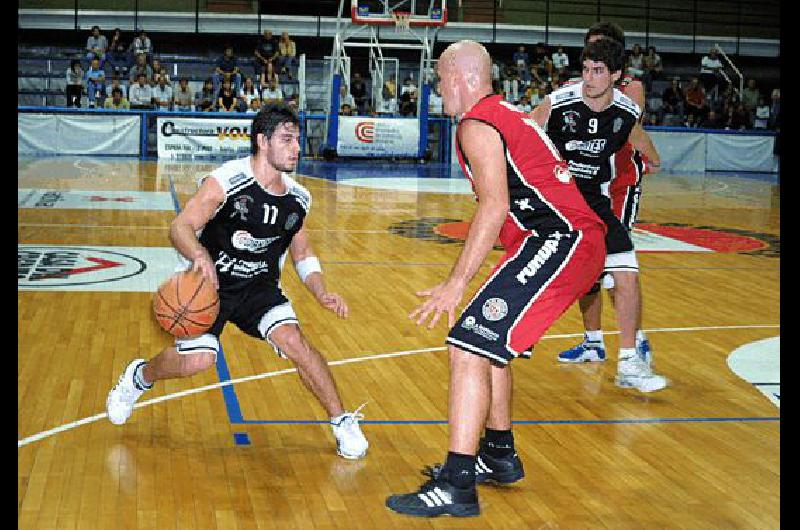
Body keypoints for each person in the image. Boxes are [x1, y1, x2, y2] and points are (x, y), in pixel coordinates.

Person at [385, 40, 606, 518]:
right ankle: (499, 455)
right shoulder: (505, 113)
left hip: (562, 240)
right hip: (559, 240)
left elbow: (495, 204)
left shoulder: (477, 122)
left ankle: (457, 485)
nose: (436, 88)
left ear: (462, 78)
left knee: (466, 344)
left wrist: (456, 282)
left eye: (441, 79)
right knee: (487, 343)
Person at [106, 102, 369, 461]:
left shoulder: (298, 199)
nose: (296, 148)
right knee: (198, 360)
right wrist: (200, 257)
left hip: (258, 288)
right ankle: (141, 376)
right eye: (287, 140)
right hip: (208, 287)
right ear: (263, 141)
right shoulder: (227, 181)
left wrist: (322, 291)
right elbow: (179, 226)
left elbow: (302, 252)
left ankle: (342, 421)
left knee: (296, 343)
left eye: (298, 140)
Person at [532, 37, 667, 392]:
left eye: (598, 71)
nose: (589, 78)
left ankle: (628, 363)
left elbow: (638, 137)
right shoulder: (560, 103)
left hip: (596, 204)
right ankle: (519, 329)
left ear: (616, 75)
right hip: (560, 204)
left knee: (626, 273)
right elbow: (527, 132)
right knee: (549, 271)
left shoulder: (624, 112)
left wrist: (654, 159)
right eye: (586, 70)